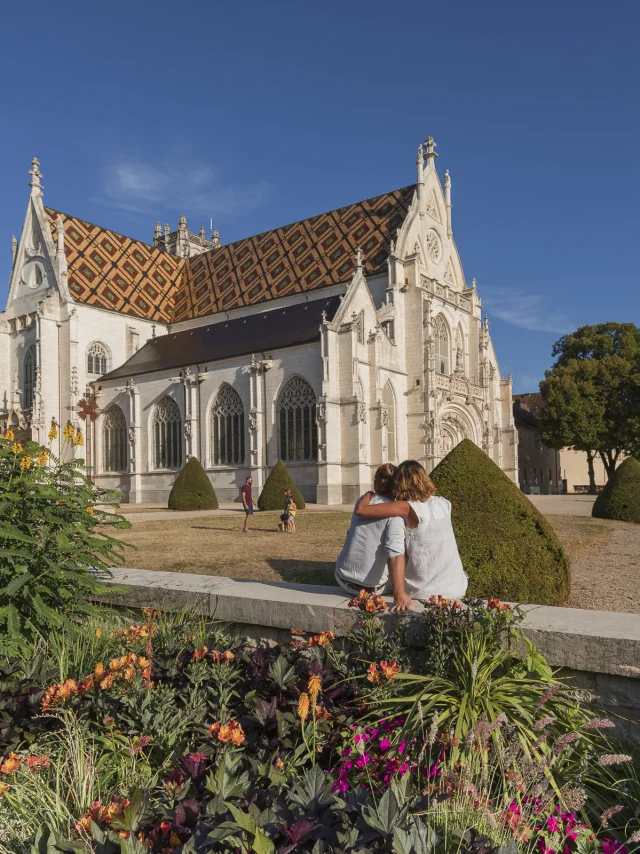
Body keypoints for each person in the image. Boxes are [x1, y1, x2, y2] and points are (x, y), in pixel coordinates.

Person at [355, 459, 467, 607]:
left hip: (426, 591)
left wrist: (369, 494)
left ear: (399, 483)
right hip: (457, 587)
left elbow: (361, 511)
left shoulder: (406, 507)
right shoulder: (444, 503)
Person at [335, 464, 408, 611]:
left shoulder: (362, 501)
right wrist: (399, 594)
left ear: (375, 482)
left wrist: (369, 493)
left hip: (342, 577)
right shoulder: (395, 513)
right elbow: (394, 555)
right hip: (370, 589)